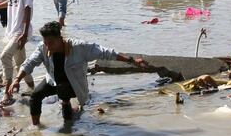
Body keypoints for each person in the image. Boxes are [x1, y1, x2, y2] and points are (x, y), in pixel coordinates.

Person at [9, 21, 148, 126]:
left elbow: (107, 52)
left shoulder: (79, 47)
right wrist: (16, 80)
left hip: (74, 86)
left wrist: (132, 60)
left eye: (50, 42)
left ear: (60, 38)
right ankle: (36, 128)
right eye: (45, 42)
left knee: (64, 98)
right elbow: (29, 63)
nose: (47, 46)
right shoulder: (43, 48)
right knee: (35, 96)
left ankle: (68, 122)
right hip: (53, 81)